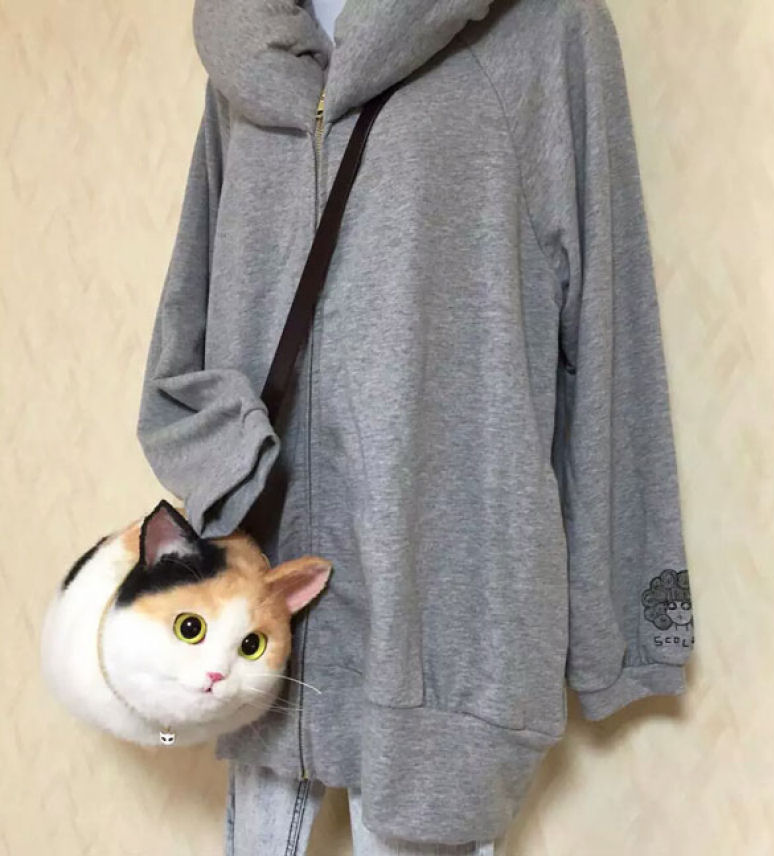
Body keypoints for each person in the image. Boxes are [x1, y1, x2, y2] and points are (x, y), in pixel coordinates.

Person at [136, 0, 696, 852]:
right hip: (257, 636)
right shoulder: (246, 51)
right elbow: (181, 348)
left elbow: (611, 334)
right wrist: (234, 469)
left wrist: (623, 622)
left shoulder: (544, 32)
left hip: (443, 640)